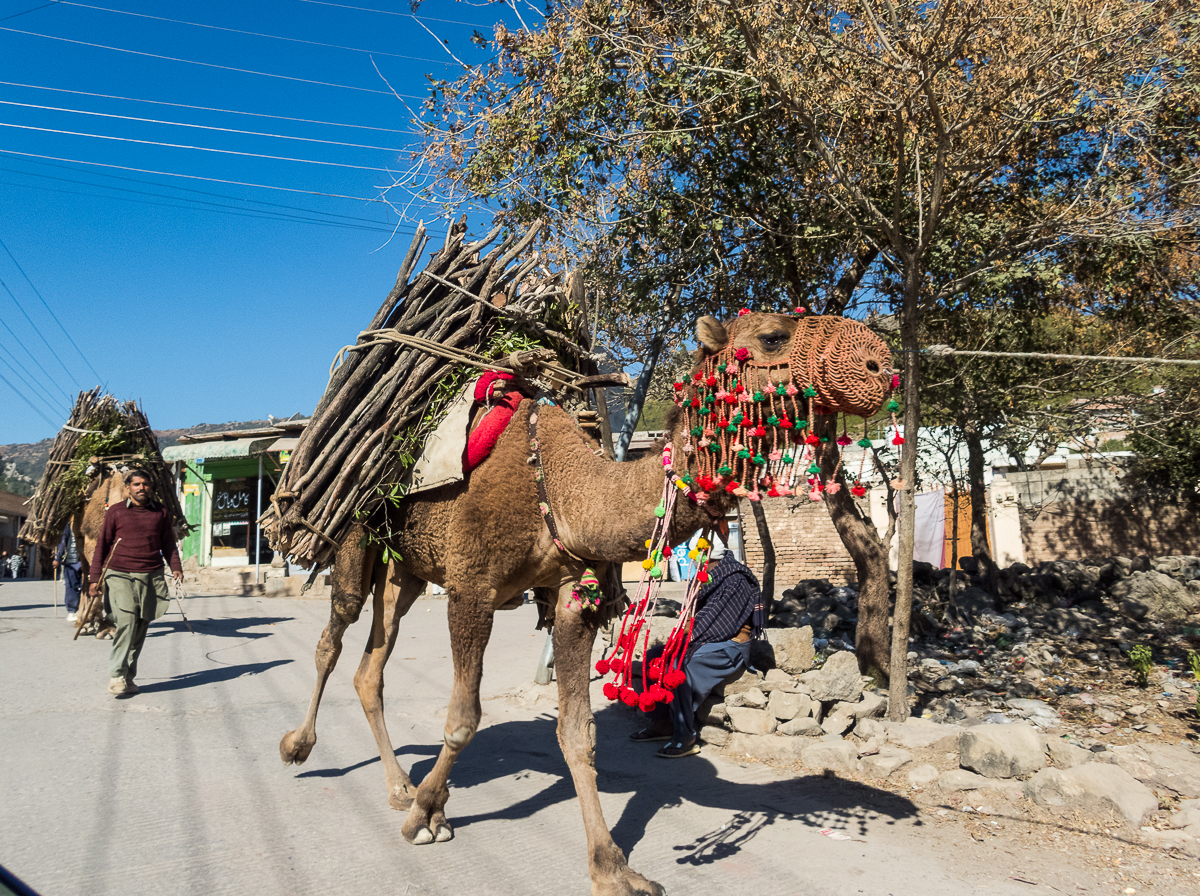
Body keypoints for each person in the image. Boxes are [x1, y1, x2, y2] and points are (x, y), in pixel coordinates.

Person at [631, 544, 766, 758]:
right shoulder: (708, 577)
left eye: (697, 557)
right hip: (707, 638)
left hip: (729, 645)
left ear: (708, 559)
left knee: (678, 665)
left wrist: (685, 635)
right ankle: (663, 722)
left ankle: (685, 736)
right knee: (654, 656)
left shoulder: (735, 580)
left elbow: (720, 622)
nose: (693, 561)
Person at [88, 468, 183, 697]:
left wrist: (176, 567)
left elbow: (168, 544)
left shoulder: (160, 512)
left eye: (146, 484)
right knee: (127, 620)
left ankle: (128, 677)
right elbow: (102, 545)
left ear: (151, 487)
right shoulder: (116, 512)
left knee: (141, 625)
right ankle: (116, 675)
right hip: (119, 573)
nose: (142, 488)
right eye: (137, 484)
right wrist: (94, 578)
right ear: (128, 487)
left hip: (150, 575)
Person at [54, 525, 83, 621]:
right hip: (73, 561)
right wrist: (57, 557)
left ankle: (79, 610)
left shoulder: (71, 524)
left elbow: (62, 542)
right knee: (72, 586)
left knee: (80, 587)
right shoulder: (69, 525)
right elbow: (62, 542)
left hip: (81, 561)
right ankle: (73, 611)